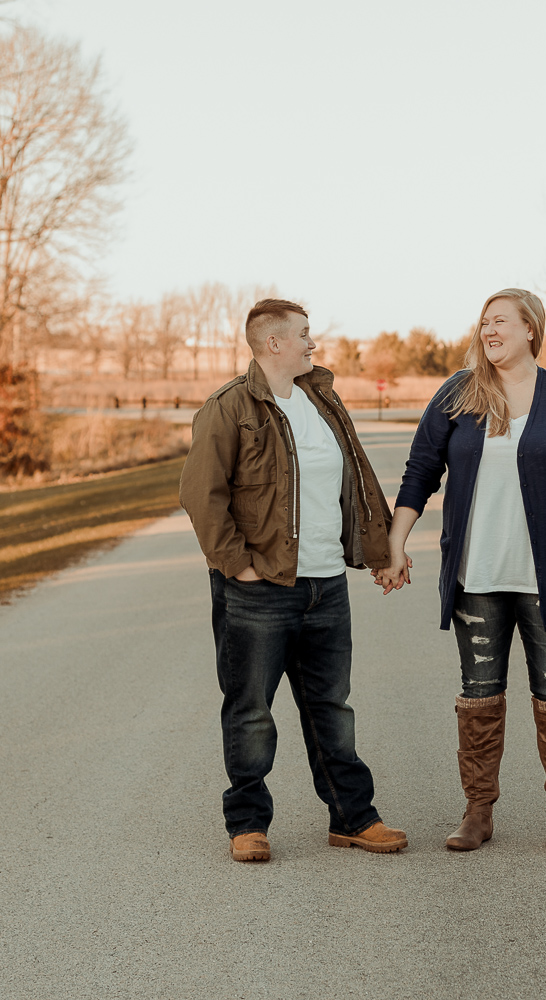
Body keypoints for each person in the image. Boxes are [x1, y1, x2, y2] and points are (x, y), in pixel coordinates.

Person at [376, 288, 546, 857]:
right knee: (478, 697)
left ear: (531, 329)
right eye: (484, 322)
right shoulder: (460, 394)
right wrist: (395, 543)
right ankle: (478, 810)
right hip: (476, 577)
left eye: (500, 321)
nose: (488, 331)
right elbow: (420, 472)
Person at [180, 298, 408, 863]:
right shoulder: (229, 408)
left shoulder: (322, 401)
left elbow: (356, 479)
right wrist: (240, 566)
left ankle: (354, 818)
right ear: (273, 343)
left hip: (326, 586)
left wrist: (378, 552)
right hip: (258, 590)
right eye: (305, 334)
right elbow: (200, 496)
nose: (314, 343)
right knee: (251, 709)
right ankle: (248, 824)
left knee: (332, 707)